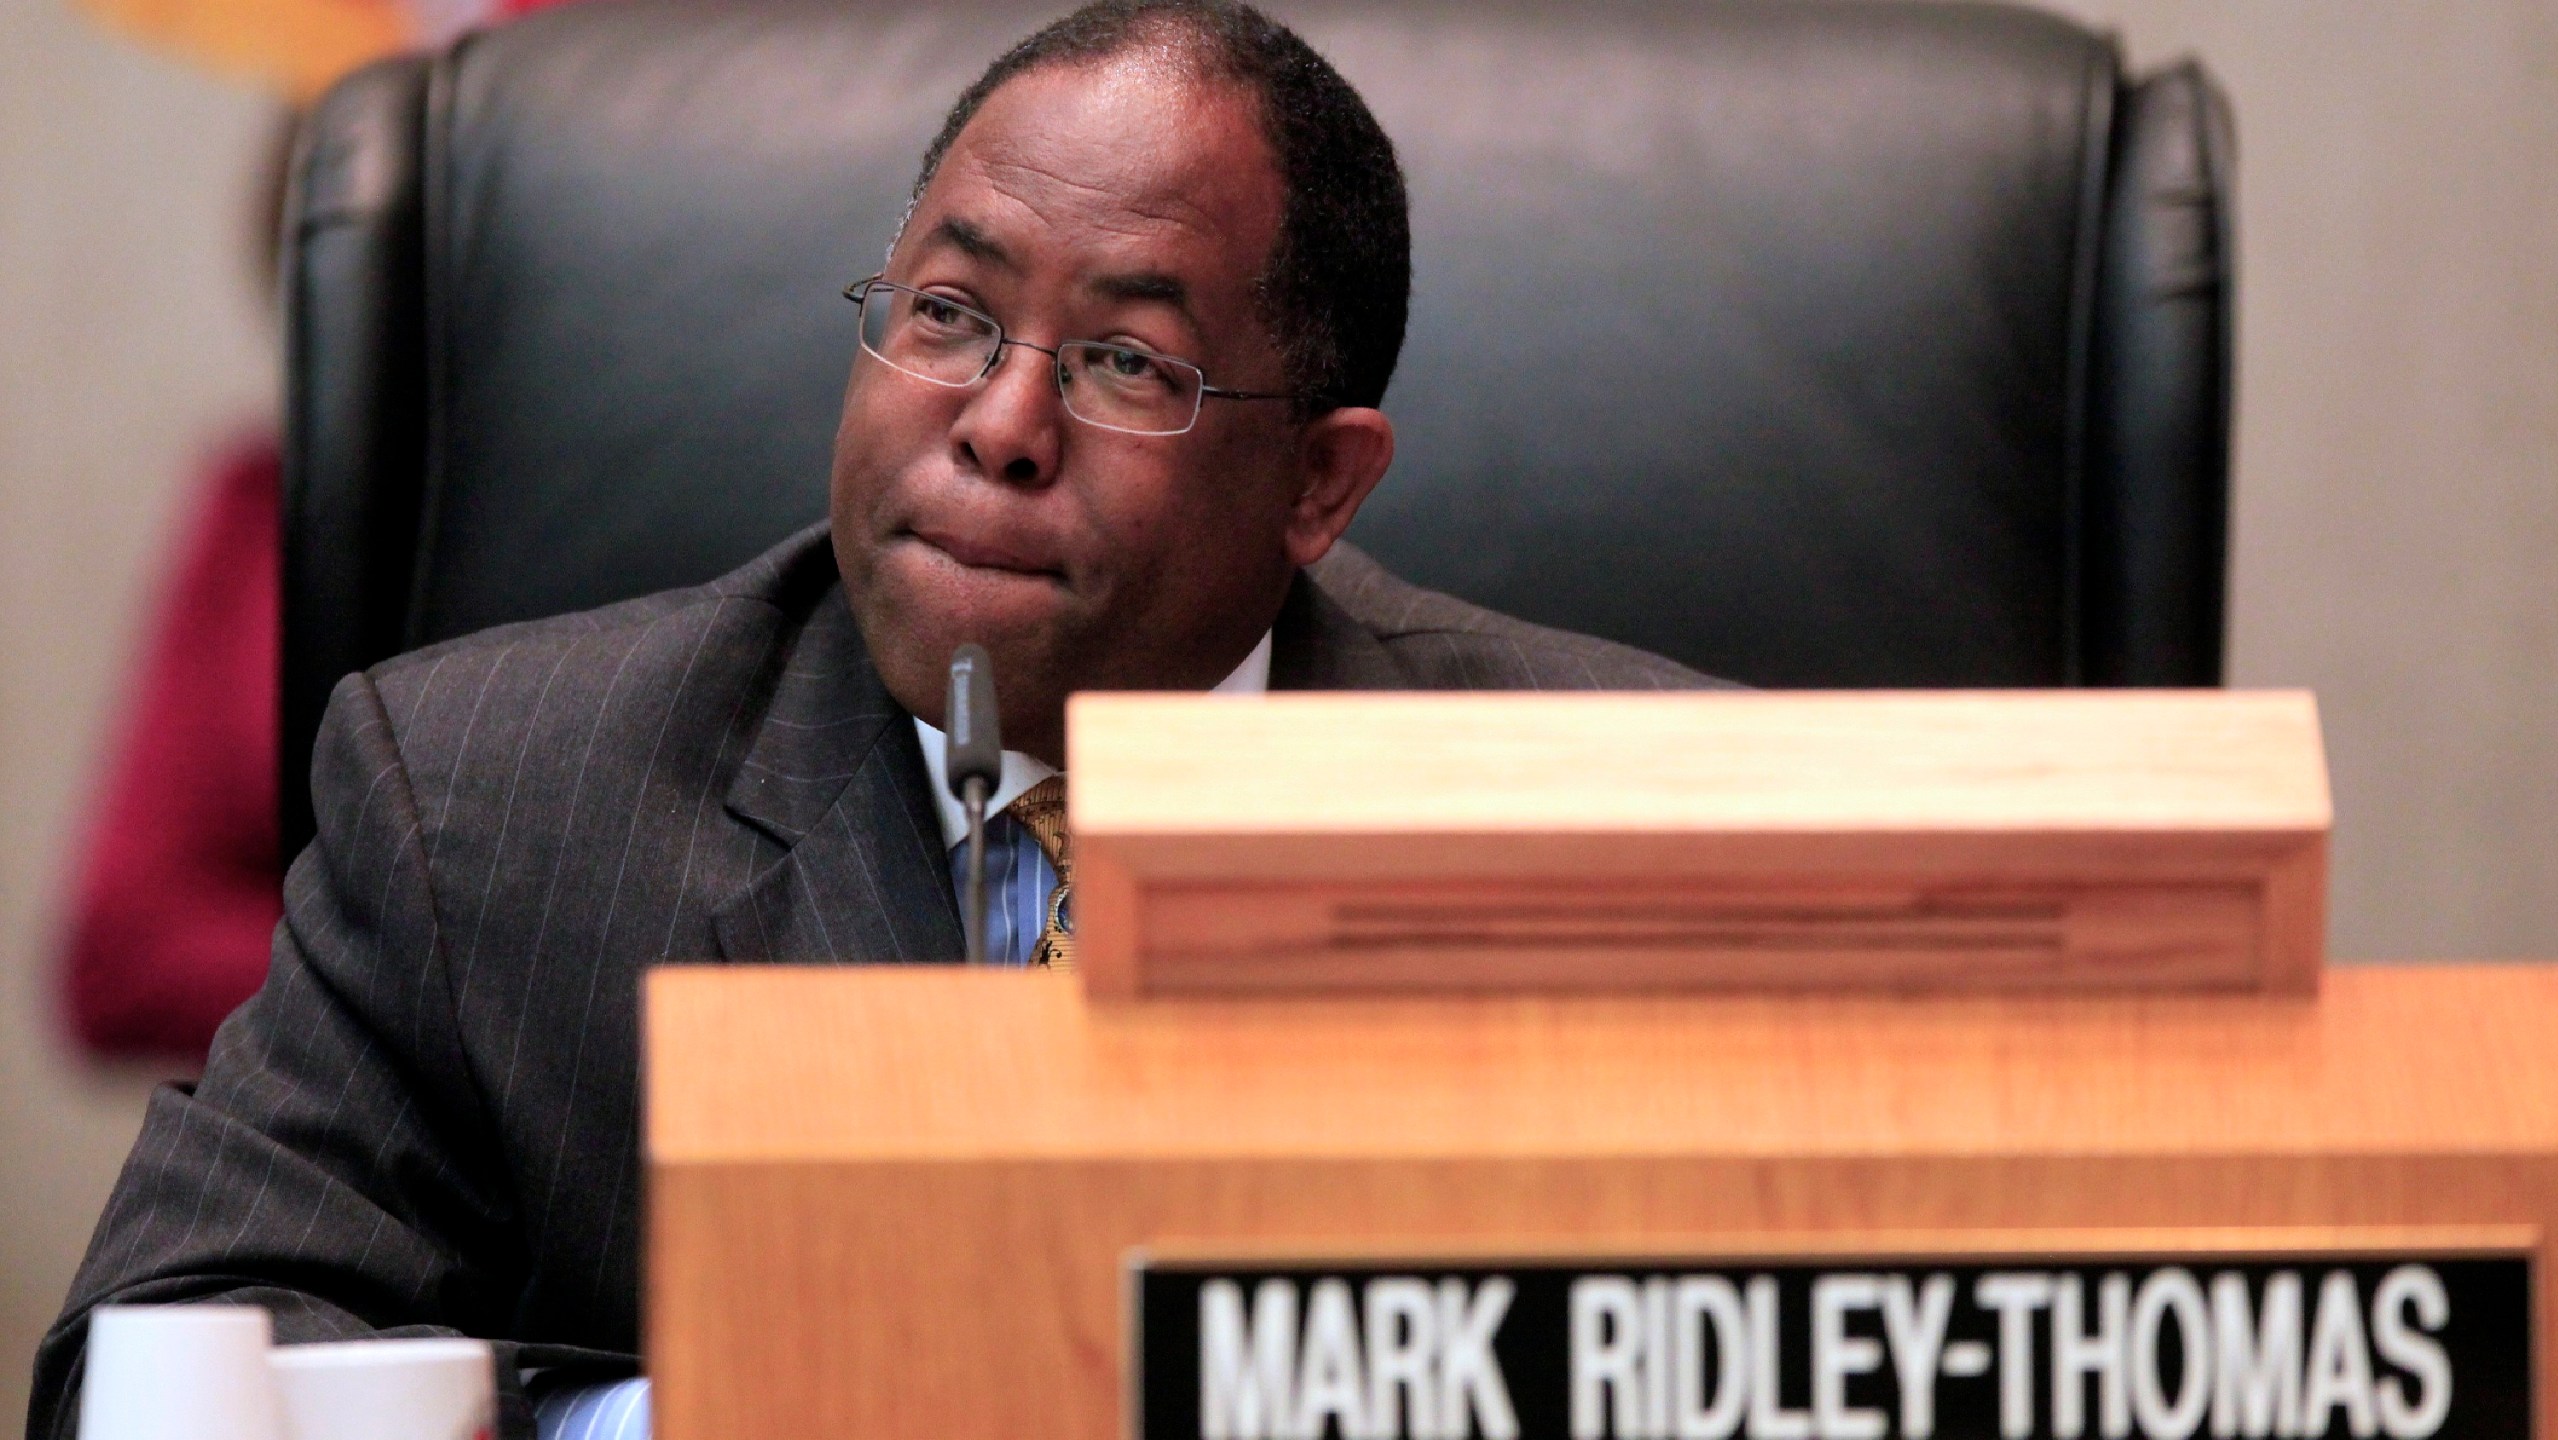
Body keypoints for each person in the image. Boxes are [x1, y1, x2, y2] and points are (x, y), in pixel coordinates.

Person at [29, 2, 1714, 1437]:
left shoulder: (1639, 827)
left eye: (1127, 364)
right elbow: (161, 1353)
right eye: (948, 314)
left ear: (1320, 487)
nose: (995, 424)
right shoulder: (481, 802)